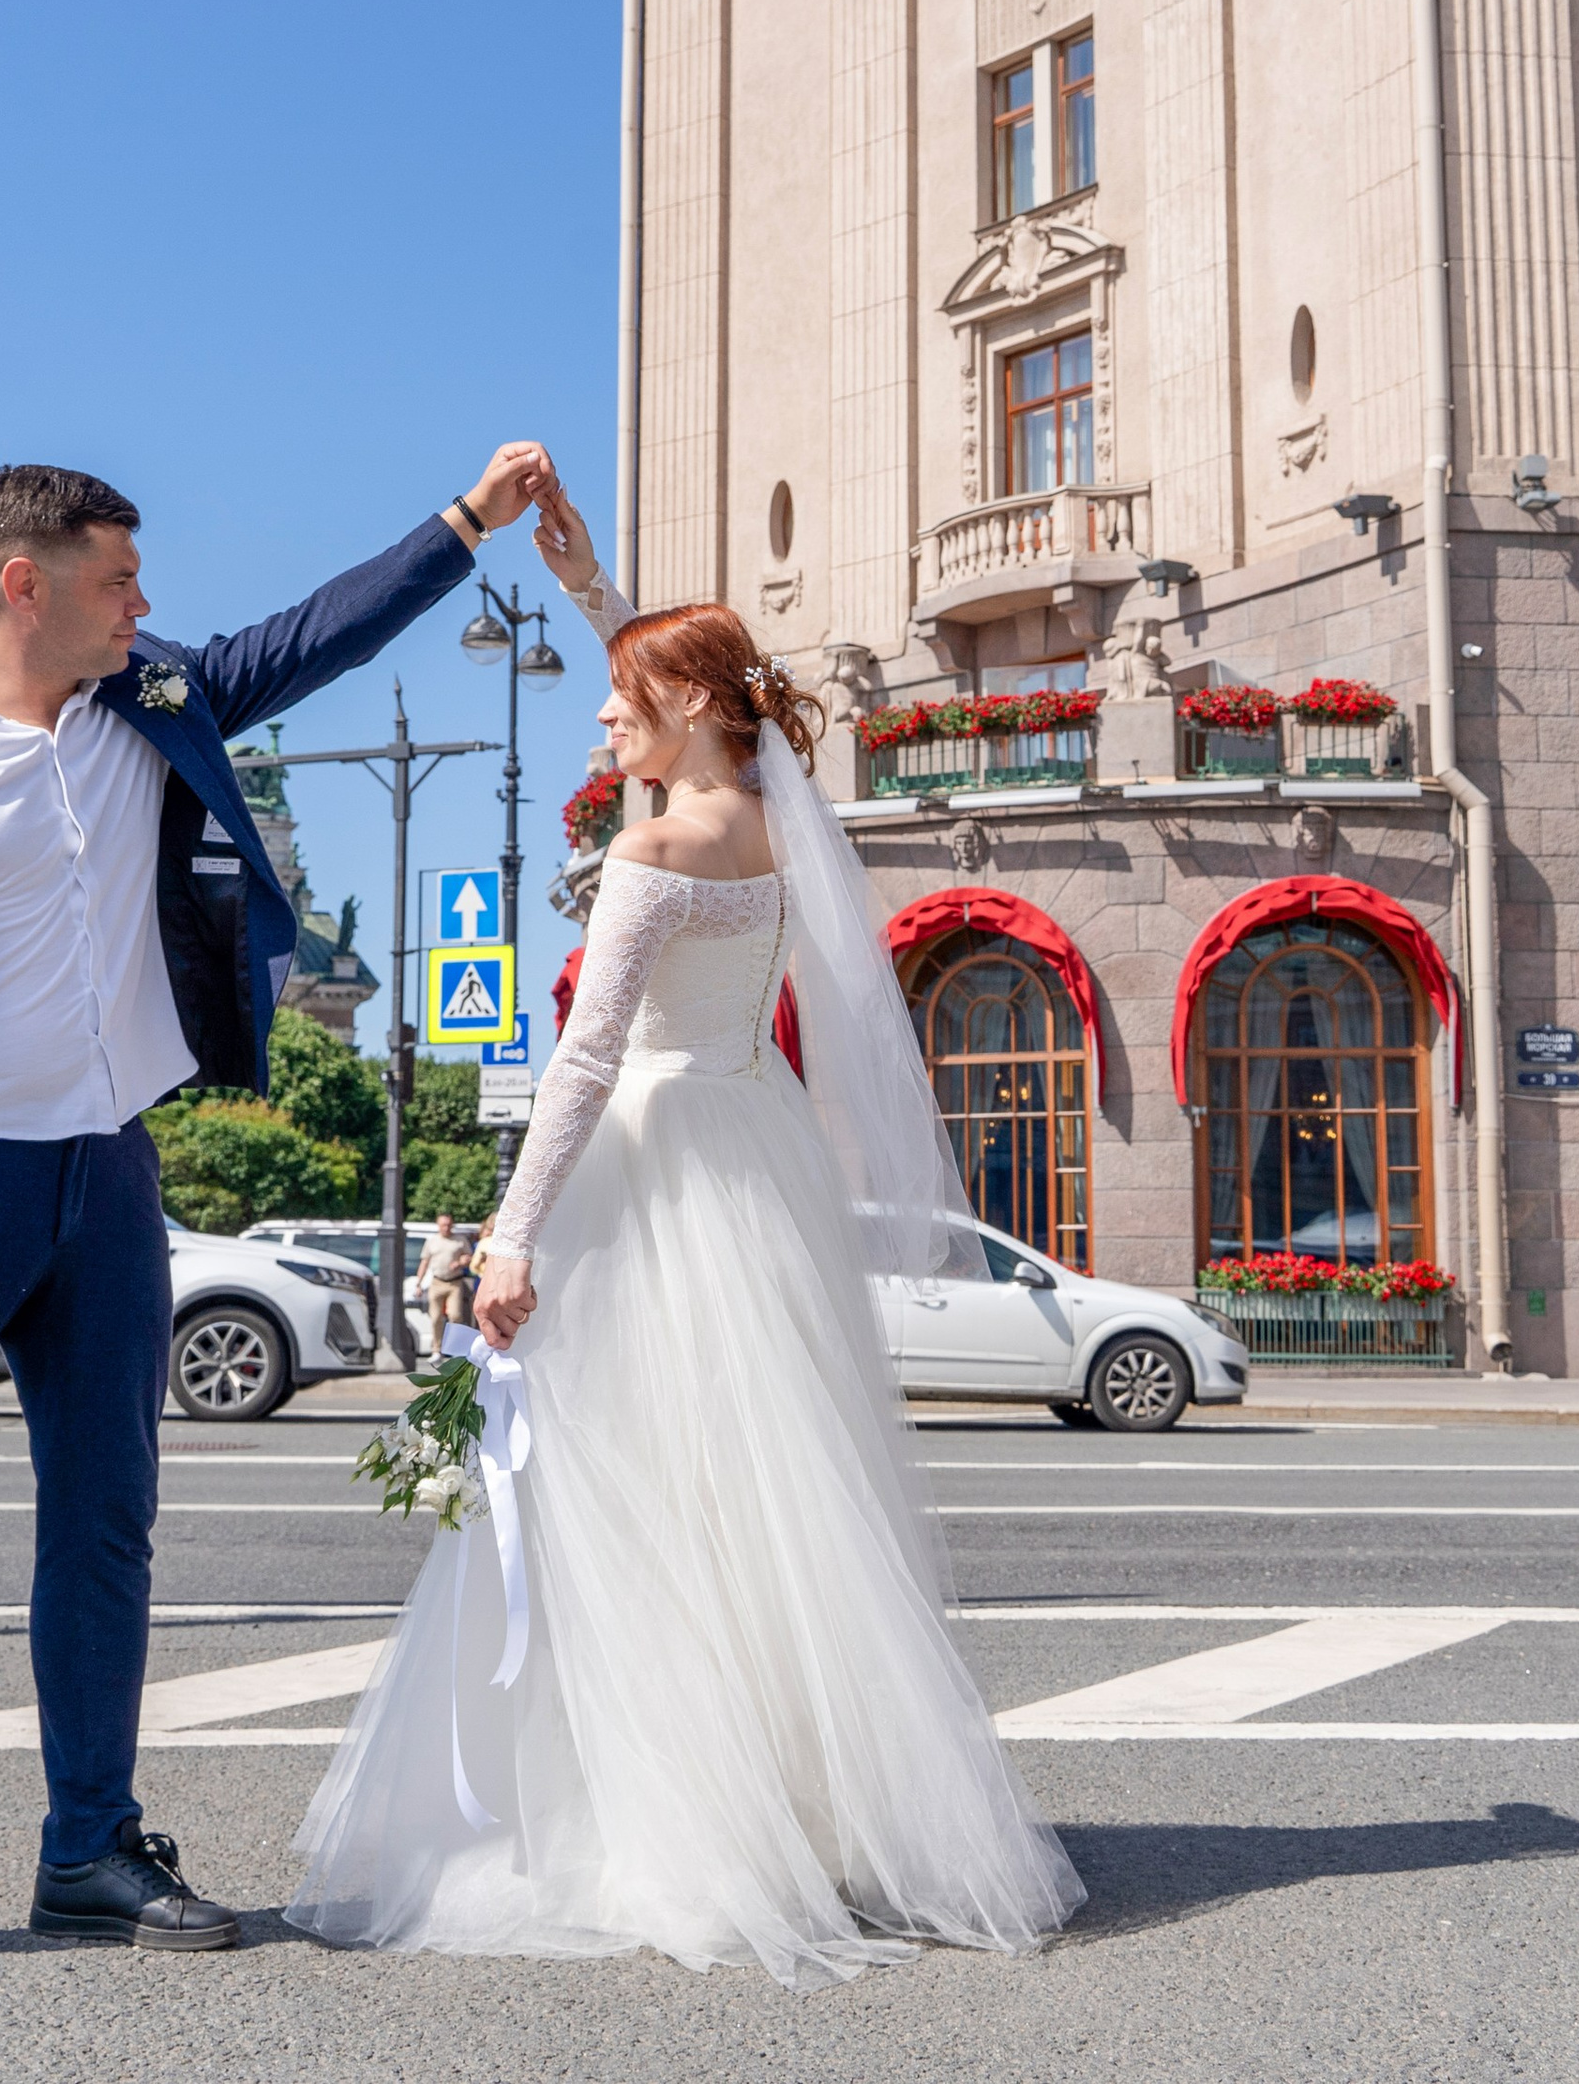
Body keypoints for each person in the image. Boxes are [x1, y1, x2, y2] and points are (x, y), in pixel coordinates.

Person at [0, 446, 557, 1994]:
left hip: (105, 1181)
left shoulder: (156, 704)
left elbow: (316, 635)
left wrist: (466, 524)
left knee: (105, 1529)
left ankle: (89, 1846)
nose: (148, 606)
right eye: (122, 581)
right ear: (27, 585)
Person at [286, 483, 1081, 1991]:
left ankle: (669, 1818)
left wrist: (508, 1242)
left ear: (690, 707)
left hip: (651, 1165)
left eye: (619, 705)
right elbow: (691, 715)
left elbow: (584, 1061)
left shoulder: (654, 859)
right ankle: (813, 1804)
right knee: (771, 1492)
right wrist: (600, 597)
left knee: (636, 1494)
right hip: (753, 1149)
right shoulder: (775, 818)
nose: (599, 725)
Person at [416, 1213, 477, 1352]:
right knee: (435, 1317)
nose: (446, 1228)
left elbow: (469, 1257)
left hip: (454, 1282)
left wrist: (461, 1262)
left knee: (455, 1315)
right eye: (443, 1225)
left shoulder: (459, 1240)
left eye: (449, 1225)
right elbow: (424, 1262)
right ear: (438, 1225)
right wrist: (418, 1283)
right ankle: (436, 1349)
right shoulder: (432, 1241)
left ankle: (454, 1349)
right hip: (437, 1282)